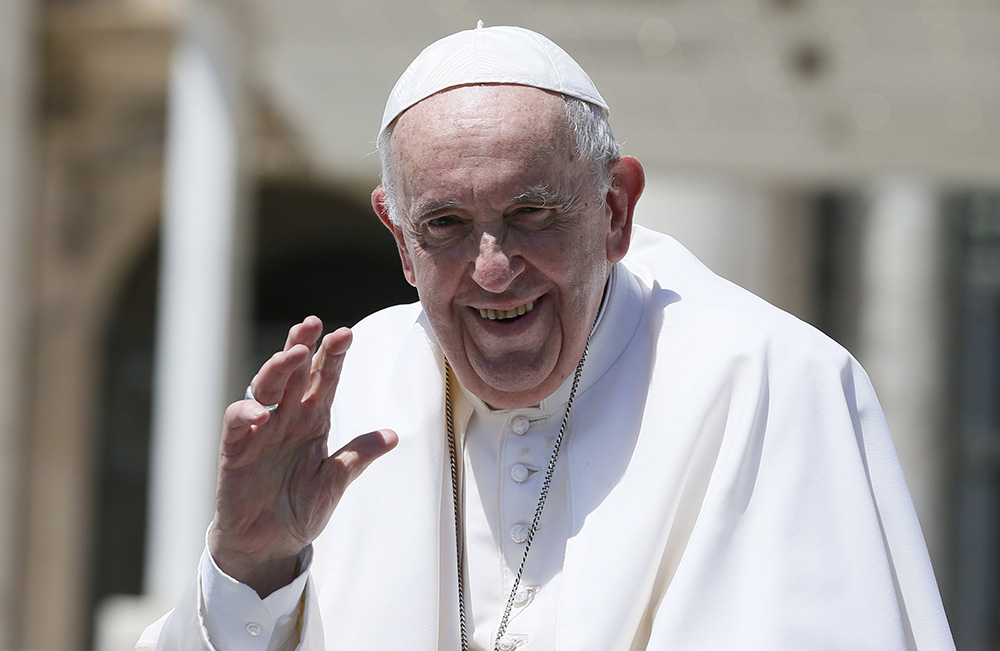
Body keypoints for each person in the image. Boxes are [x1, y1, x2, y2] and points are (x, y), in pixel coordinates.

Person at [137, 24, 954, 651]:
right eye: (447, 226)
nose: (494, 270)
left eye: (532, 214)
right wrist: (250, 568)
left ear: (615, 209)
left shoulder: (773, 381)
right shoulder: (349, 397)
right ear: (399, 239)